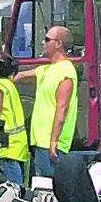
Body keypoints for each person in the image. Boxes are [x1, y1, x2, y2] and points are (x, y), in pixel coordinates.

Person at [29, 25, 77, 178]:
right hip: (41, 141)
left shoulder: (66, 71)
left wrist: (53, 142)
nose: (43, 43)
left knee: (48, 187)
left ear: (58, 44)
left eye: (47, 39)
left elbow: (61, 108)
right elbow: (23, 75)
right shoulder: (48, 69)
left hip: (51, 144)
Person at [0, 53, 28, 186]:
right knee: (18, 186)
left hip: (6, 146)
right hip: (18, 144)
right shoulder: (10, 86)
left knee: (12, 190)